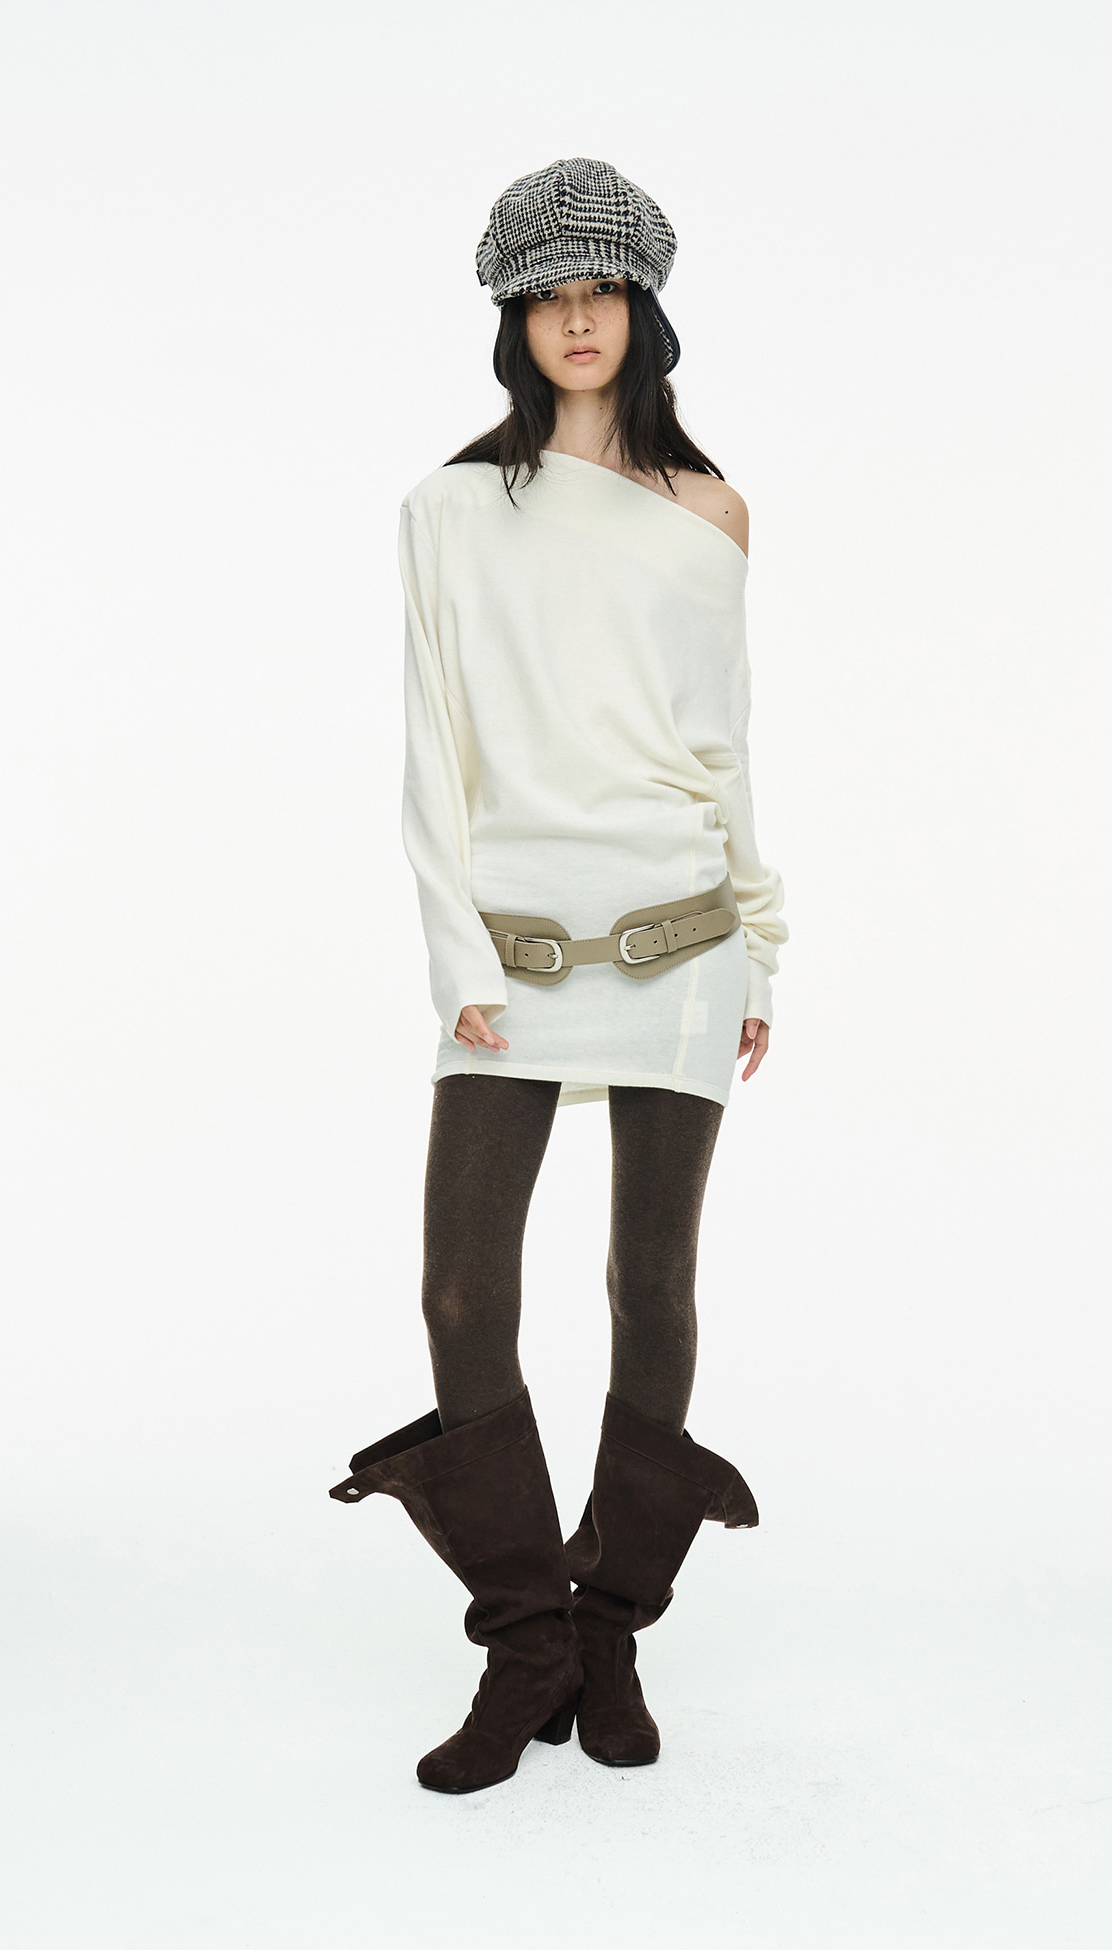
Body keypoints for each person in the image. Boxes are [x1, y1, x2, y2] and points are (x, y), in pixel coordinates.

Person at [330, 157, 788, 1795]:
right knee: (463, 1288)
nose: (576, 319)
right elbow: (431, 750)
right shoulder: (450, 511)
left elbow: (721, 746)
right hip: (510, 956)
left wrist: (760, 943)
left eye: (601, 291)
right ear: (514, 320)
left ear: (641, 309)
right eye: (547, 295)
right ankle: (524, 1632)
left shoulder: (710, 512)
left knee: (650, 1283)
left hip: (685, 941)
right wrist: (455, 952)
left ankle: (613, 1626)